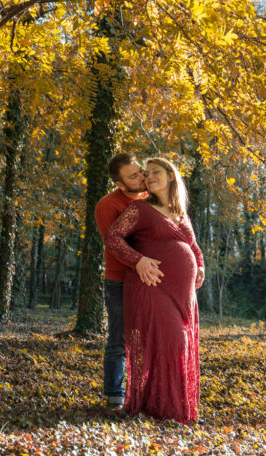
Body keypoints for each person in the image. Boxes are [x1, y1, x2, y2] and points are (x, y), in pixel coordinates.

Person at [104, 157, 205, 423]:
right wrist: (139, 261)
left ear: (171, 176)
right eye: (146, 174)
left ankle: (169, 406)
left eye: (155, 172)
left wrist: (201, 267)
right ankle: (162, 408)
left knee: (177, 345)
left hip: (182, 294)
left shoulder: (180, 212)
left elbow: (193, 247)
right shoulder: (139, 209)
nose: (149, 177)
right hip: (153, 287)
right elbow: (113, 237)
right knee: (171, 342)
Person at [94, 153, 163, 413]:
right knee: (119, 339)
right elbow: (113, 244)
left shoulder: (153, 199)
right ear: (120, 185)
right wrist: (138, 261)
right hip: (120, 282)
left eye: (140, 171)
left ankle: (146, 394)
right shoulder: (108, 204)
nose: (142, 177)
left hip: (152, 281)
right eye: (134, 176)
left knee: (150, 339)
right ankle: (114, 395)